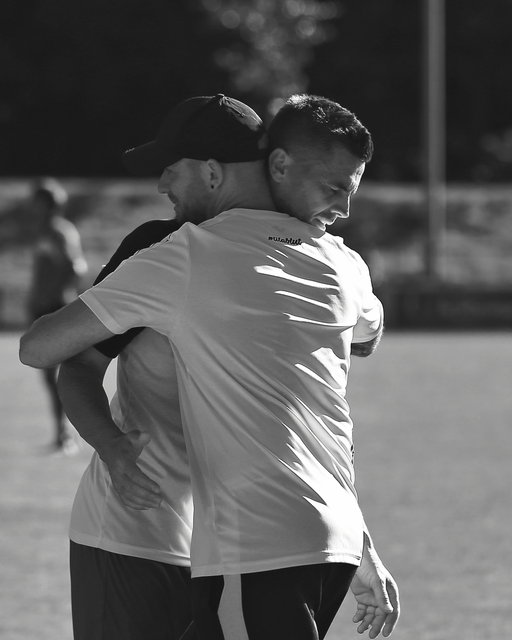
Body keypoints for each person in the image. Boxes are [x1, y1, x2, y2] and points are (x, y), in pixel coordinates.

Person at [20, 94, 400, 640]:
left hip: (239, 540)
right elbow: (71, 362)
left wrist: (362, 544)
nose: (161, 186)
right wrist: (111, 446)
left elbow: (313, 420)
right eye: (333, 188)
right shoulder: (166, 248)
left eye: (171, 170)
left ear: (214, 173)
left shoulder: (301, 254)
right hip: (142, 530)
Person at [25, 178, 87, 454]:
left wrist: (52, 298)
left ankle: (68, 434)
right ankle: (62, 432)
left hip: (55, 307)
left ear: (50, 204)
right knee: (50, 376)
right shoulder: (44, 230)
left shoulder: (60, 231)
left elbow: (74, 267)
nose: (34, 207)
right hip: (44, 307)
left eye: (38, 202)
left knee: (62, 375)